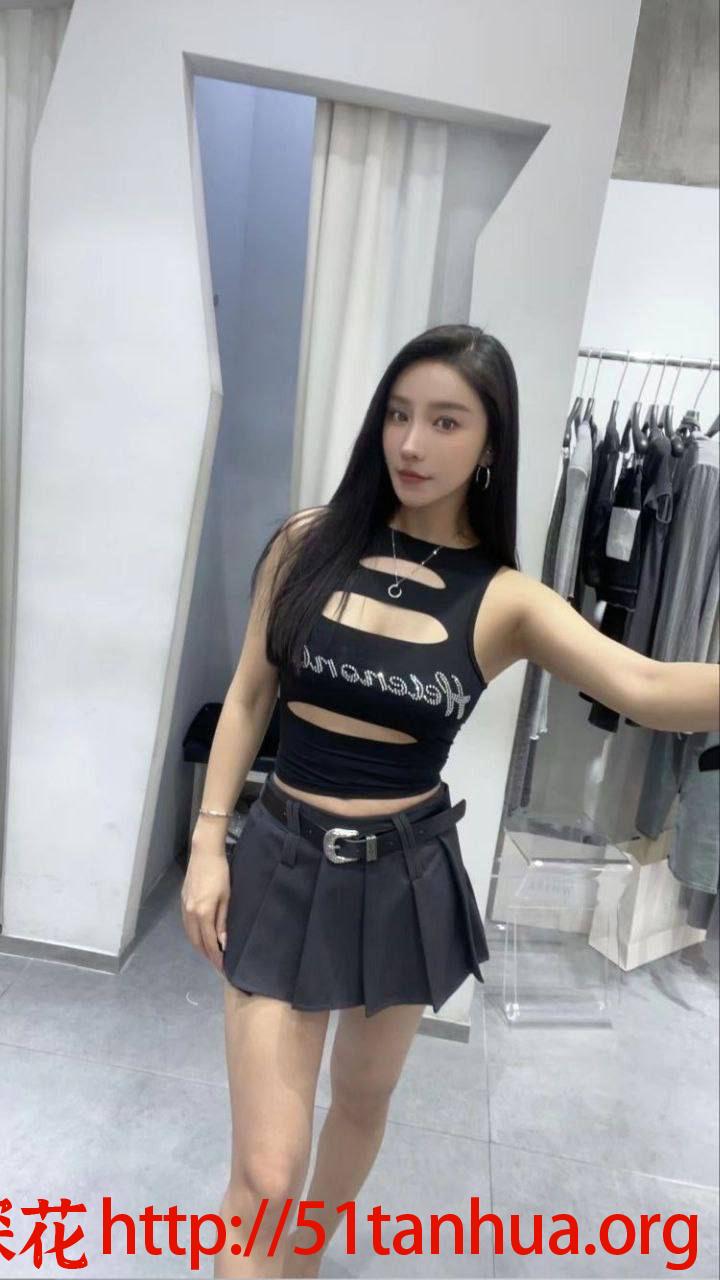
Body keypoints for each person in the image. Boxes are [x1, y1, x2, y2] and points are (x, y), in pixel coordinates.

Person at [181, 324, 719, 1279]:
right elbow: (251, 695)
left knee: (361, 1103)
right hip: (283, 860)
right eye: (398, 414)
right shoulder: (306, 544)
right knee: (265, 1170)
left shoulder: (505, 598)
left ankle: (301, 1264)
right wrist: (207, 844)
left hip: (404, 877)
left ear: (491, 442)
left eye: (444, 421)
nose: (411, 443)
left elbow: (644, 686)